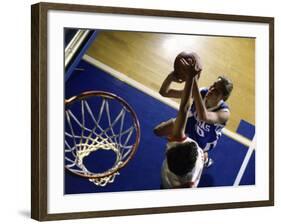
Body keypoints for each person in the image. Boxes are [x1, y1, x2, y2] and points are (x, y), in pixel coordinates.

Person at [154, 53, 233, 167]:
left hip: (204, 139)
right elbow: (164, 92)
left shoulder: (224, 113)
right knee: (158, 131)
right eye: (213, 85)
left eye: (217, 90)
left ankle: (204, 158)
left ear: (223, 97)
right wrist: (171, 77)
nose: (212, 89)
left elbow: (203, 116)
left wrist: (192, 78)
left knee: (184, 164)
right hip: (190, 123)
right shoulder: (202, 92)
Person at [160, 54, 205, 189]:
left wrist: (188, 77)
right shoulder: (189, 187)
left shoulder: (175, 150)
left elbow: (184, 108)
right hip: (196, 131)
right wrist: (192, 78)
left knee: (158, 130)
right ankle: (207, 158)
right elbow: (198, 114)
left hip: (168, 181)